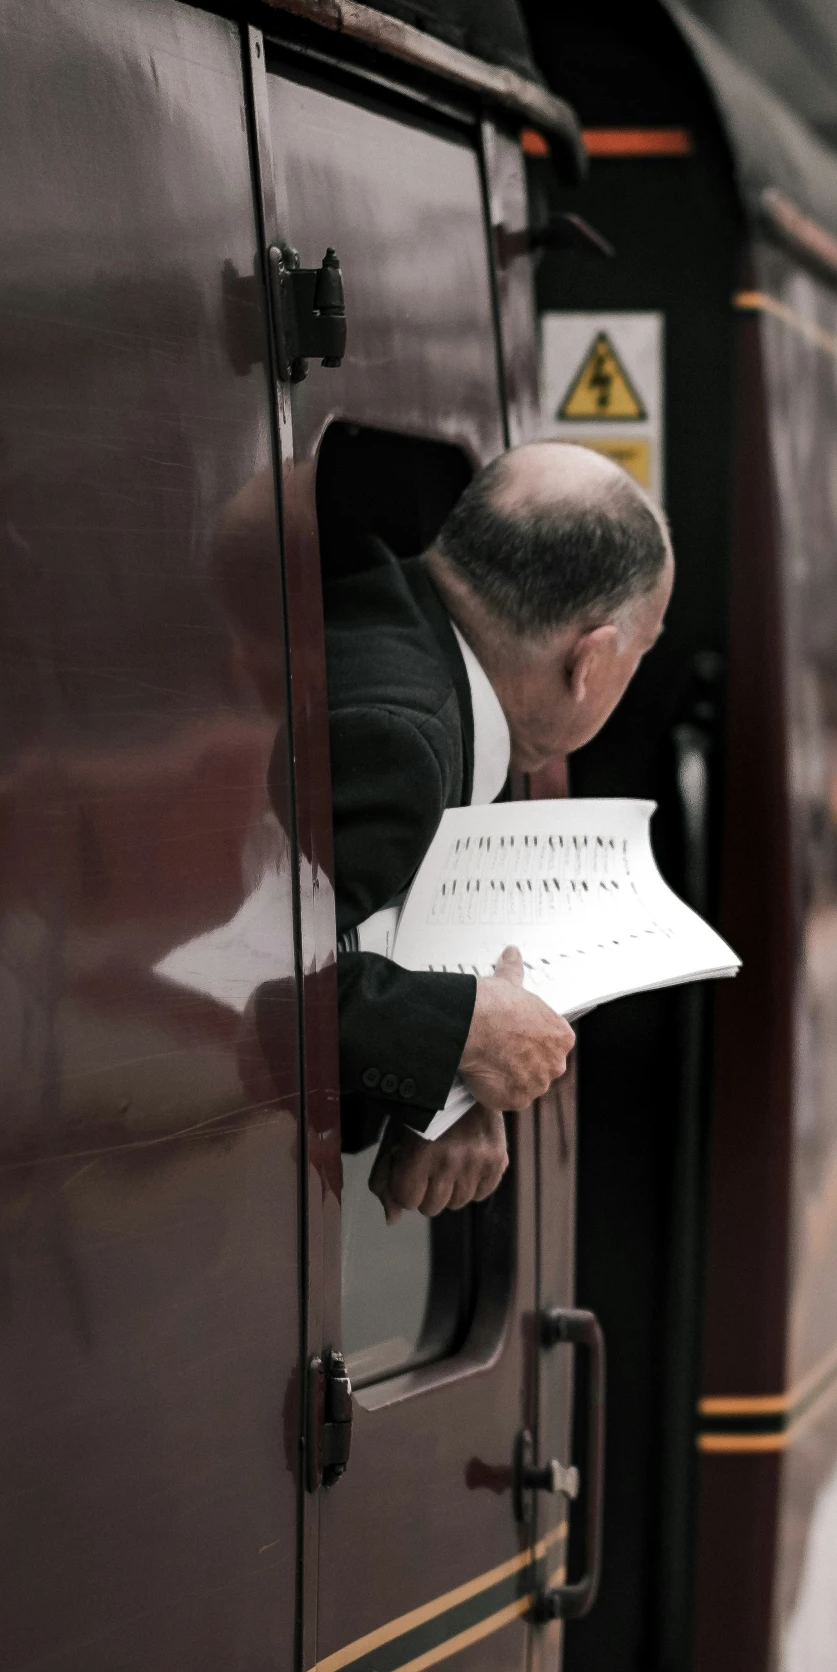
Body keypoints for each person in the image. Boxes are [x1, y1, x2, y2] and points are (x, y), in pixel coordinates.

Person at [326, 441, 673, 1218]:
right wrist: (457, 1037)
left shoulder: (386, 616)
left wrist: (449, 1081)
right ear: (591, 661)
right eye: (640, 653)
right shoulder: (403, 742)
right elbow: (236, 983)